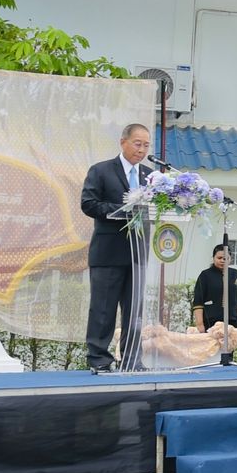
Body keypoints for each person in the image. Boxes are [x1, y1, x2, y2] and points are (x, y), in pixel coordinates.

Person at [78, 122, 154, 371]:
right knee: (103, 310)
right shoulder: (101, 170)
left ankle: (132, 360)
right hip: (108, 253)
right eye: (137, 144)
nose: (142, 150)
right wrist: (124, 210)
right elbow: (89, 204)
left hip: (137, 253)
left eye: (146, 146)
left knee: (134, 312)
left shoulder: (151, 177)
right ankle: (99, 359)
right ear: (123, 142)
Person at [191, 243, 237, 336]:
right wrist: (200, 324)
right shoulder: (205, 275)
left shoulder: (236, 274)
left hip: (232, 321)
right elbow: (198, 301)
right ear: (213, 258)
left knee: (230, 344)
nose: (222, 260)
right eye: (219, 258)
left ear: (230, 259)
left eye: (225, 258)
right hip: (211, 321)